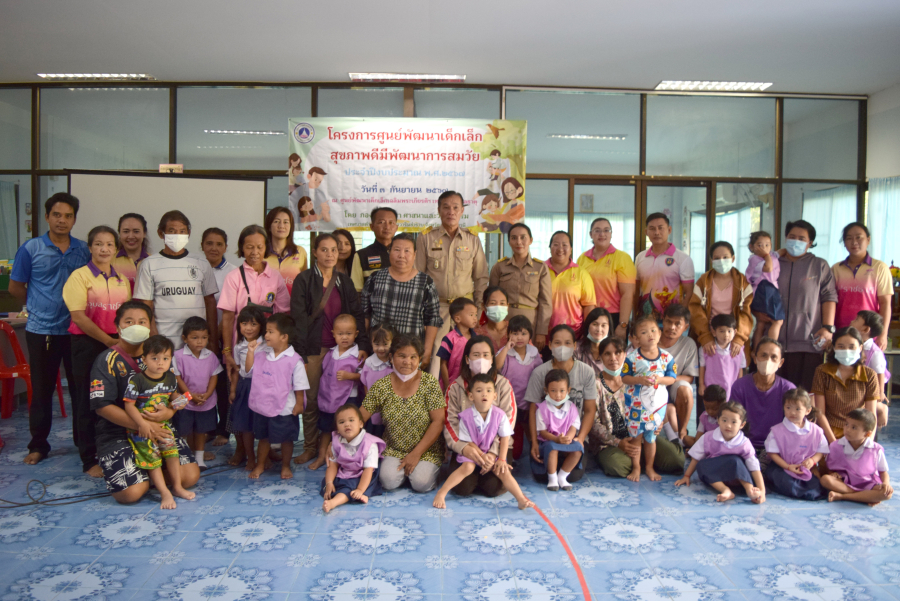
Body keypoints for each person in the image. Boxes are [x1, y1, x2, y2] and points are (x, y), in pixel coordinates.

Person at [90, 300, 200, 503]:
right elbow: (102, 407)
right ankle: (142, 476)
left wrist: (170, 412)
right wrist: (145, 426)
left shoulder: (161, 356)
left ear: (150, 326)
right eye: (129, 322)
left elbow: (171, 394)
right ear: (117, 326)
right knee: (130, 494)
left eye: (142, 322)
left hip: (160, 427)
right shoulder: (107, 360)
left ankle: (149, 472)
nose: (135, 326)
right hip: (119, 431)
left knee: (190, 477)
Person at [9, 192, 90, 465]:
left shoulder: (83, 249)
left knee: (80, 390)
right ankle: (38, 446)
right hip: (41, 330)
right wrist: (34, 307)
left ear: (74, 219)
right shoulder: (31, 248)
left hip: (77, 331)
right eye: (57, 215)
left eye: (68, 216)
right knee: (42, 390)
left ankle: (83, 443)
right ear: (46, 217)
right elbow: (15, 287)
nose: (62, 220)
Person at [291, 233, 370, 465]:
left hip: (343, 350)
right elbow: (298, 317)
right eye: (324, 250)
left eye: (333, 250)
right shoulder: (304, 280)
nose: (329, 254)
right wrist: (302, 353)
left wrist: (362, 344)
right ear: (314, 252)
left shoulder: (343, 281)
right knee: (312, 399)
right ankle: (310, 447)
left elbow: (357, 314)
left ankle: (339, 447)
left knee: (341, 400)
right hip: (314, 349)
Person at [62, 225, 131, 477]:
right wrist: (107, 340)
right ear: (90, 247)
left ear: (116, 248)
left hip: (117, 344)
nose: (104, 249)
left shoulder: (121, 279)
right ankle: (88, 457)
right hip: (88, 344)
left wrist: (121, 342)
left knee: (114, 398)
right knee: (87, 399)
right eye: (99, 244)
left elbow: (126, 315)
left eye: (110, 244)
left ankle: (112, 448)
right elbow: (79, 317)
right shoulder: (79, 277)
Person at [587, 336, 686, 478]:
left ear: (626, 355)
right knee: (617, 465)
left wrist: (656, 423)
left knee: (677, 460)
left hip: (642, 434)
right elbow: (593, 422)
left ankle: (644, 460)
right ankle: (639, 462)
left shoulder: (638, 380)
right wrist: (618, 442)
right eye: (607, 354)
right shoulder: (594, 384)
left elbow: (655, 403)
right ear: (600, 357)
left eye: (618, 353)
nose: (613, 358)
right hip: (611, 443)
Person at [415, 191, 489, 378]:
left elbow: (481, 278)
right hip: (437, 307)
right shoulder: (426, 238)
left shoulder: (472, 239)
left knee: (466, 353)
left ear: (462, 211)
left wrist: (478, 310)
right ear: (439, 210)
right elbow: (418, 277)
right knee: (434, 354)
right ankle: (434, 401)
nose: (451, 211)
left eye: (456, 207)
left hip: (465, 308)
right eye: (446, 207)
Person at [433, 374, 534, 509]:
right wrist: (482, 456)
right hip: (474, 453)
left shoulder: (500, 415)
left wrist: (501, 459)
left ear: (495, 396)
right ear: (471, 396)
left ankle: (521, 499)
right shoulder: (465, 417)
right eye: (479, 391)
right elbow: (468, 442)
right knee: (468, 467)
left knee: (502, 471)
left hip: (493, 453)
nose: (484, 394)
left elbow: (505, 438)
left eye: (488, 390)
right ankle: (442, 493)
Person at [360, 334, 446, 493]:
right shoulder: (382, 386)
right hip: (394, 449)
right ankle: (407, 472)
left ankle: (422, 471)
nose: (407, 361)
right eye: (402, 356)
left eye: (413, 357)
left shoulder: (429, 383)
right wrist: (338, 438)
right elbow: (359, 417)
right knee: (388, 482)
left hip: (426, 450)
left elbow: (438, 422)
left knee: (421, 484)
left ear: (419, 359)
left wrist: (416, 454)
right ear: (391, 357)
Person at [122, 334, 195, 509]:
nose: (160, 362)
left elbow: (172, 397)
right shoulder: (137, 380)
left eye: (165, 358)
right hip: (142, 430)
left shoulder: (170, 377)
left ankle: (176, 487)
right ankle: (164, 492)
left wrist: (180, 402)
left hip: (164, 426)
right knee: (153, 457)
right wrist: (142, 424)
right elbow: (129, 406)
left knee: (172, 452)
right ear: (144, 359)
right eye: (154, 358)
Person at [133, 210, 219, 352]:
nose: (178, 236)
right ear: (161, 233)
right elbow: (146, 305)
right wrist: (154, 337)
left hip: (197, 344)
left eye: (182, 231)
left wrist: (213, 340)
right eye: (172, 231)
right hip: (164, 342)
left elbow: (210, 302)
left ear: (189, 234)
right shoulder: (148, 264)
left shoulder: (201, 263)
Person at [443, 336, 517, 497]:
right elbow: (450, 423)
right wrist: (464, 448)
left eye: (486, 355)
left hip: (496, 448)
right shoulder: (455, 388)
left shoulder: (503, 385)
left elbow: (509, 422)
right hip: (468, 448)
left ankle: (486, 474)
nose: (481, 359)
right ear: (467, 359)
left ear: (492, 358)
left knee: (493, 488)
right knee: (462, 488)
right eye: (476, 355)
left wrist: (492, 453)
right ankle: (474, 475)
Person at [524, 325, 599, 484]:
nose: (562, 347)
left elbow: (590, 410)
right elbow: (533, 410)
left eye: (567, 343)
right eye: (557, 343)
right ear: (549, 345)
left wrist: (580, 438)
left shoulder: (586, 372)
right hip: (547, 437)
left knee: (572, 476)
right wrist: (534, 442)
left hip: (573, 436)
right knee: (542, 476)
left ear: (574, 346)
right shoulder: (540, 372)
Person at [219, 225, 289, 380]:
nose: (255, 252)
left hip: (269, 347)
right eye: (249, 247)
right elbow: (228, 317)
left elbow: (283, 314)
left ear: (266, 248)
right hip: (241, 348)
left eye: (259, 247)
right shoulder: (234, 277)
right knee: (239, 389)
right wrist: (228, 352)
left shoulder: (275, 277)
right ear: (242, 248)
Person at [776, 220, 838, 391]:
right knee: (778, 392)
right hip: (776, 339)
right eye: (792, 237)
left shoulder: (819, 265)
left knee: (804, 394)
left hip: (808, 341)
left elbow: (829, 297)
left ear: (810, 243)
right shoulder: (774, 264)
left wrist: (828, 328)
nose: (796, 241)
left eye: (802, 238)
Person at [247, 313, 309, 480]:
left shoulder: (294, 360)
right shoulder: (261, 354)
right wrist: (250, 352)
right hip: (264, 406)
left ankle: (286, 465)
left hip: (285, 408)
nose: (265, 335)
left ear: (284, 336)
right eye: (266, 331)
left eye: (270, 332)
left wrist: (299, 404)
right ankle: (260, 464)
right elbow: (248, 370)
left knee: (286, 439)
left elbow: (300, 384)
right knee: (263, 438)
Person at [361, 232, 441, 352]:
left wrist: (427, 351)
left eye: (407, 251)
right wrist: (363, 346)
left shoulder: (425, 282)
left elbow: (432, 319)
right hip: (379, 351)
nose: (401, 255)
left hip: (410, 354)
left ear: (415, 254)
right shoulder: (375, 278)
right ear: (389, 252)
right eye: (397, 250)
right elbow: (365, 315)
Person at [621, 315, 677, 482]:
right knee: (636, 437)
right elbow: (624, 378)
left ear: (659, 334)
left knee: (651, 437)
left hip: (656, 406)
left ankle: (649, 467)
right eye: (644, 332)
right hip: (636, 406)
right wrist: (639, 380)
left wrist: (659, 380)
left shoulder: (667, 358)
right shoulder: (631, 358)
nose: (650, 334)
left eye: (653, 331)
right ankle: (636, 467)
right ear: (636, 339)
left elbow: (672, 378)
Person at [675, 402, 766, 504]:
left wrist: (762, 490)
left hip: (738, 478)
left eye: (733, 422)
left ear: (742, 425)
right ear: (718, 420)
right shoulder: (708, 437)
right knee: (701, 465)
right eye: (724, 420)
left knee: (735, 461)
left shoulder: (744, 443)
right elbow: (696, 458)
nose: (728, 425)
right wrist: (687, 476)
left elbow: (754, 467)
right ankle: (725, 490)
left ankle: (750, 490)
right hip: (716, 477)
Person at [309, 314, 363, 470]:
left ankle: (347, 460)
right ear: (333, 334)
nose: (344, 337)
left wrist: (349, 376)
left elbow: (364, 377)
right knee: (326, 430)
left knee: (348, 431)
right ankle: (321, 457)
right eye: (340, 334)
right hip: (329, 399)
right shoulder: (330, 353)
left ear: (356, 334)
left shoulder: (357, 355)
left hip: (348, 399)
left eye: (349, 333)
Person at [201, 227, 238, 447]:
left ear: (225, 247)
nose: (214, 248)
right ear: (202, 245)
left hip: (224, 336)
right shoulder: (195, 269)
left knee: (224, 384)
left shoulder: (233, 272)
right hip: (199, 337)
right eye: (209, 243)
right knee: (202, 382)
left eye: (219, 244)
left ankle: (224, 429)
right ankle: (206, 428)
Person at [811, 327, 880, 443]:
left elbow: (871, 416)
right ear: (833, 348)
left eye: (852, 347)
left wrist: (867, 444)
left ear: (860, 348)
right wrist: (833, 443)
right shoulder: (822, 372)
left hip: (859, 433)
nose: (847, 351)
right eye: (841, 346)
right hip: (829, 432)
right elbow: (820, 412)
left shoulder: (869, 375)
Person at [688, 241, 753, 362]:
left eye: (725, 257)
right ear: (711, 260)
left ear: (733, 258)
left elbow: (746, 314)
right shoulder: (704, 281)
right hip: (708, 338)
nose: (721, 261)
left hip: (733, 338)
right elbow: (695, 309)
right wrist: (706, 336)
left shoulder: (743, 283)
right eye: (716, 258)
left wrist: (739, 338)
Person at [171, 316, 222, 470]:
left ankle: (199, 459)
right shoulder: (178, 356)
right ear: (185, 338)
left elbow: (214, 375)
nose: (200, 341)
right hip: (185, 401)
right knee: (183, 430)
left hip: (206, 400)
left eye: (204, 338)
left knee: (201, 431)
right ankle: (184, 457)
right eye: (195, 338)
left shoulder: (211, 356)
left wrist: (207, 394)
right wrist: (189, 394)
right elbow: (177, 377)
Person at [490, 223, 552, 349]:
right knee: (502, 355)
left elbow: (545, 302)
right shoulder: (500, 267)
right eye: (514, 238)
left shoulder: (540, 267)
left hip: (530, 321)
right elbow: (491, 299)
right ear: (509, 242)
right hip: (504, 320)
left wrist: (541, 331)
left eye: (523, 237)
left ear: (531, 240)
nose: (519, 242)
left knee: (528, 358)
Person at [833, 222, 892, 348]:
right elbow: (830, 302)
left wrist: (883, 334)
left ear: (868, 240)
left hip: (869, 336)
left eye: (859, 237)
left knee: (869, 367)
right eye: (849, 238)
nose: (854, 242)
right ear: (844, 242)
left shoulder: (879, 268)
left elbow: (885, 303)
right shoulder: (836, 269)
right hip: (841, 333)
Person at [729, 338, 797, 448]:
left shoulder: (788, 390)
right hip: (744, 445)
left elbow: (794, 425)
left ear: (781, 363)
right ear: (755, 358)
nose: (768, 361)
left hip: (778, 447)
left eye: (773, 357)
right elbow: (733, 422)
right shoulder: (740, 387)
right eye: (763, 355)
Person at [764, 388, 829, 501]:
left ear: (808, 411)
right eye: (788, 408)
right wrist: (788, 466)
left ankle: (808, 492)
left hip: (804, 468)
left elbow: (821, 450)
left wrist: (812, 461)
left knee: (815, 484)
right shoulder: (777, 431)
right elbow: (772, 453)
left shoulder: (816, 431)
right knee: (784, 480)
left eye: (798, 409)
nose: (792, 412)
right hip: (782, 467)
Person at [321, 403, 386, 513]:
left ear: (361, 424)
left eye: (351, 420)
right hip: (345, 472)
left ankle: (334, 502)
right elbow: (332, 465)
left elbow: (368, 470)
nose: (347, 424)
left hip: (364, 474)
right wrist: (329, 483)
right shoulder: (336, 442)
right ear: (337, 428)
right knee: (330, 484)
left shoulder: (369, 444)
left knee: (349, 488)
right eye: (342, 422)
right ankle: (359, 495)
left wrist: (360, 490)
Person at [578, 217, 636, 337]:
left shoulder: (622, 258)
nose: (602, 234)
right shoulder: (582, 258)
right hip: (588, 316)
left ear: (611, 234)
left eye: (606, 230)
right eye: (597, 230)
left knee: (612, 355)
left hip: (613, 317)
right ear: (590, 234)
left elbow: (628, 294)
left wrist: (623, 324)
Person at [821, 408, 893, 505]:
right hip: (845, 483)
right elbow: (829, 467)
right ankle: (865, 496)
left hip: (868, 484)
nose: (847, 429)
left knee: (887, 494)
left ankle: (842, 496)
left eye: (854, 427)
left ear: (867, 433)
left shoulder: (876, 449)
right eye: (846, 424)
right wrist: (833, 473)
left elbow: (883, 471)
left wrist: (886, 483)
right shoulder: (835, 446)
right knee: (825, 480)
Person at [495, 315, 542, 460]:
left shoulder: (535, 355)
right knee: (515, 451)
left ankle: (537, 455)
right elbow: (496, 366)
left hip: (529, 404)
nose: (519, 337)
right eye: (515, 333)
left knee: (534, 436)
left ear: (530, 335)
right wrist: (506, 348)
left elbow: (540, 377)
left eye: (523, 333)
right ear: (508, 335)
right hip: (510, 406)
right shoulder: (505, 353)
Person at [226, 306, 267, 470]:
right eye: (244, 324)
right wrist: (233, 390)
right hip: (246, 387)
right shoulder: (238, 347)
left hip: (263, 388)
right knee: (246, 426)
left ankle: (264, 457)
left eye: (253, 324)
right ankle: (250, 457)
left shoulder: (267, 344)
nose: (248, 328)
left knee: (263, 424)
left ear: (261, 326)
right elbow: (236, 371)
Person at [635, 212, 695, 319]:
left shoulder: (683, 258)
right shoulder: (640, 257)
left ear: (669, 230)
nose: (657, 232)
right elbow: (636, 290)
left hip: (672, 318)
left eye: (661, 228)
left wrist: (681, 317)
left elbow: (689, 293)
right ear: (646, 232)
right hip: (646, 317)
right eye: (652, 229)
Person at [535, 369, 584, 491]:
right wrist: (557, 439)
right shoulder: (542, 409)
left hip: (566, 440)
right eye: (553, 391)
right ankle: (552, 479)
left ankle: (562, 476)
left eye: (562, 391)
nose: (558, 395)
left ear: (568, 390)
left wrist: (568, 438)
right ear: (546, 391)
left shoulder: (572, 408)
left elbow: (574, 426)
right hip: (549, 441)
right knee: (553, 449)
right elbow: (543, 432)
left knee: (578, 449)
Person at [657, 304, 700, 442]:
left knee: (685, 389)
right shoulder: (652, 338)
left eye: (677, 324)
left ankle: (682, 432)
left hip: (671, 386)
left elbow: (690, 377)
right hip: (650, 386)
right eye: (669, 322)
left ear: (685, 327)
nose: (672, 327)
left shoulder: (689, 344)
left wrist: (666, 380)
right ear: (663, 320)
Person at [546, 231, 596, 337]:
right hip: (544, 334)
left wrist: (586, 333)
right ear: (550, 247)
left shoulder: (581, 273)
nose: (560, 249)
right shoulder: (540, 270)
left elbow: (589, 305)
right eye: (555, 244)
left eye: (565, 245)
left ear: (571, 249)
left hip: (574, 334)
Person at [851, 310, 890, 426]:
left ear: (865, 329)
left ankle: (881, 408)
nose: (852, 321)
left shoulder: (874, 352)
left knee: (867, 408)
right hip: (858, 383)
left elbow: (880, 372)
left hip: (870, 385)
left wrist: (880, 393)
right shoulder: (854, 343)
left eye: (857, 320)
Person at [746, 231, 784, 350]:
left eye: (767, 245)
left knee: (761, 323)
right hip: (765, 290)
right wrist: (766, 255)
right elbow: (768, 268)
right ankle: (771, 348)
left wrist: (786, 251)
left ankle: (757, 350)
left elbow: (779, 253)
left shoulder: (771, 255)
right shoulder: (755, 259)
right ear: (751, 247)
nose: (764, 248)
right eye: (760, 245)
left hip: (767, 290)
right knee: (778, 321)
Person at [698, 314, 746, 400]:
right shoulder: (705, 349)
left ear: (735, 332)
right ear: (713, 332)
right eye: (722, 331)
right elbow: (702, 367)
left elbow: (740, 369)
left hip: (731, 388)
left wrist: (740, 386)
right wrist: (701, 384)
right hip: (711, 388)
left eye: (729, 331)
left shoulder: (738, 350)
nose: (726, 335)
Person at [264, 207, 308, 295]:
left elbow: (305, 283)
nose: (281, 226)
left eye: (286, 222)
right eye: (276, 221)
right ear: (269, 226)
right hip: (266, 306)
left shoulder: (300, 252)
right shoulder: (262, 252)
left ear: (291, 227)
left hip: (293, 306)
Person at [360, 324, 394, 437]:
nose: (381, 348)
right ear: (371, 343)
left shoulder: (395, 363)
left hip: (391, 407)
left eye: (385, 344)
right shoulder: (369, 362)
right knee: (373, 434)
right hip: (373, 407)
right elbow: (365, 383)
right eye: (376, 344)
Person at [437, 297, 478, 390]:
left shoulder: (476, 338)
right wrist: (447, 386)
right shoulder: (449, 339)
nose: (475, 318)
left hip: (470, 385)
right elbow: (443, 364)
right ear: (457, 318)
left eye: (476, 314)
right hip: (451, 384)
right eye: (471, 315)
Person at [356, 207, 398, 284]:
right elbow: (357, 290)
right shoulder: (361, 255)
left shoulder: (404, 254)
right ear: (372, 226)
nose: (387, 227)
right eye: (381, 222)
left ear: (396, 227)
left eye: (391, 222)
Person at [113, 213, 150, 291]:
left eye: (136, 231)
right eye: (126, 232)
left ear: (144, 233)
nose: (130, 236)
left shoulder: (153, 261)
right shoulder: (109, 261)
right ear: (119, 233)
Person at [473, 286, 511, 351]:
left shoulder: (515, 328)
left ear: (507, 306)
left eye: (502, 303)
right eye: (493, 303)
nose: (498, 307)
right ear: (483, 306)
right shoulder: (477, 333)